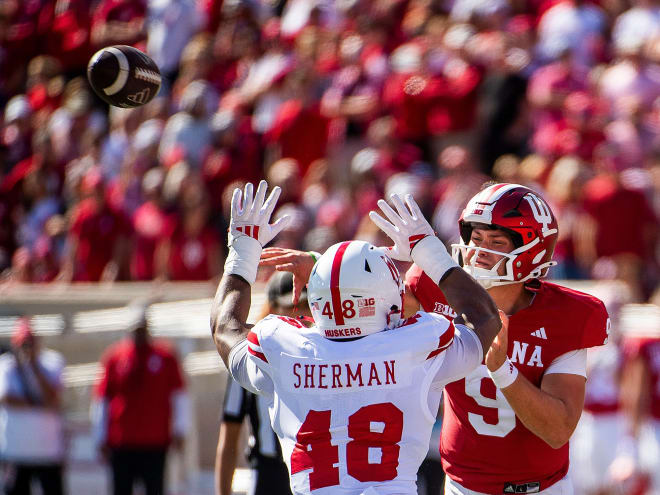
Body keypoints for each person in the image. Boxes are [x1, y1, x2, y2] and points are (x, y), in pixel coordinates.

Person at [265, 182, 611, 495]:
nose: (479, 252)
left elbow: (557, 430)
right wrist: (323, 267)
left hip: (542, 488)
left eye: (496, 241)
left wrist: (501, 368)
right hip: (462, 485)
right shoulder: (432, 286)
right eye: (476, 239)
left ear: (533, 250)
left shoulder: (568, 314)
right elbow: (371, 306)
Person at [211, 180, 502, 494]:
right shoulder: (418, 342)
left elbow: (225, 326)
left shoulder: (283, 345)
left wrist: (242, 253)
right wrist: (429, 251)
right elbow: (485, 316)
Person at [215, 271, 308, 495]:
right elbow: (229, 438)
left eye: (305, 305)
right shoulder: (251, 359)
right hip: (269, 474)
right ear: (273, 309)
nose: (300, 314)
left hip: (309, 468)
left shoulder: (320, 354)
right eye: (291, 306)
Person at [91, 304, 191, 495]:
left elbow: (179, 395)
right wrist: (100, 435)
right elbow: (102, 399)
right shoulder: (115, 357)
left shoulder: (165, 356)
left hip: (155, 440)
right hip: (122, 440)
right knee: (122, 488)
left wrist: (180, 429)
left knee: (155, 488)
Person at [0, 317, 65, 495]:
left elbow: (53, 399)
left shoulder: (52, 362)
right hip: (16, 451)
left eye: (30, 343)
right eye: (23, 343)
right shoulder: (6, 365)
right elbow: (7, 399)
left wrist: (34, 366)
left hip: (48, 452)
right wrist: (39, 404)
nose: (27, 348)